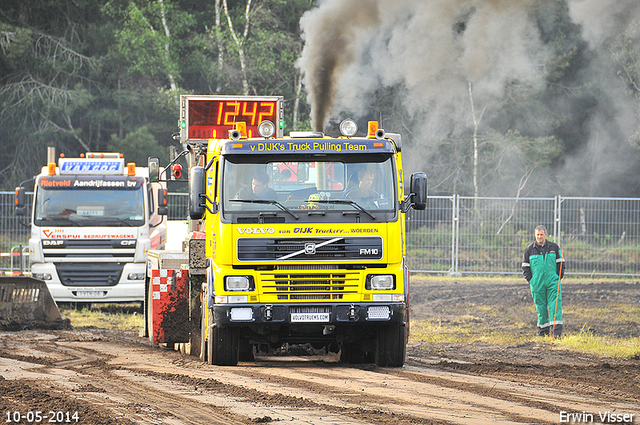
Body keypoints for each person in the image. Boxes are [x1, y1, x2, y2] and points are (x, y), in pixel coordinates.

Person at [522, 225, 565, 338]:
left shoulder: (554, 247)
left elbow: (561, 263)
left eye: (541, 234)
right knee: (541, 307)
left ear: (546, 235)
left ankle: (556, 334)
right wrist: (531, 280)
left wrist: (558, 278)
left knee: (555, 306)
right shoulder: (529, 249)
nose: (539, 237)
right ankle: (543, 333)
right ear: (535, 235)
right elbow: (525, 266)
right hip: (537, 284)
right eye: (537, 235)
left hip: (553, 282)